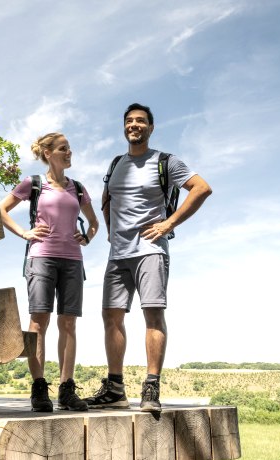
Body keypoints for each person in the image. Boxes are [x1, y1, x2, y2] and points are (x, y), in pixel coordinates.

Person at [85, 103, 212, 412]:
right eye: (129, 121)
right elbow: (107, 198)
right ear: (124, 127)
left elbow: (201, 188)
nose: (135, 125)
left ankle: (151, 387)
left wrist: (169, 223)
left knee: (152, 314)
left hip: (151, 250)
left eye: (141, 121)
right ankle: (115, 389)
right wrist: (111, 232)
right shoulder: (117, 163)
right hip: (119, 253)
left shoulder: (165, 161)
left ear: (151, 128)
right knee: (111, 316)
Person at [0, 132, 98, 412]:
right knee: (38, 322)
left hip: (72, 261)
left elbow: (93, 222)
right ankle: (39, 388)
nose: (69, 153)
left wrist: (87, 236)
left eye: (70, 149)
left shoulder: (77, 188)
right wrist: (24, 232)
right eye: (63, 149)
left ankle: (67, 389)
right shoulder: (34, 184)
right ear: (48, 153)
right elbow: (1, 210)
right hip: (41, 258)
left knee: (68, 324)